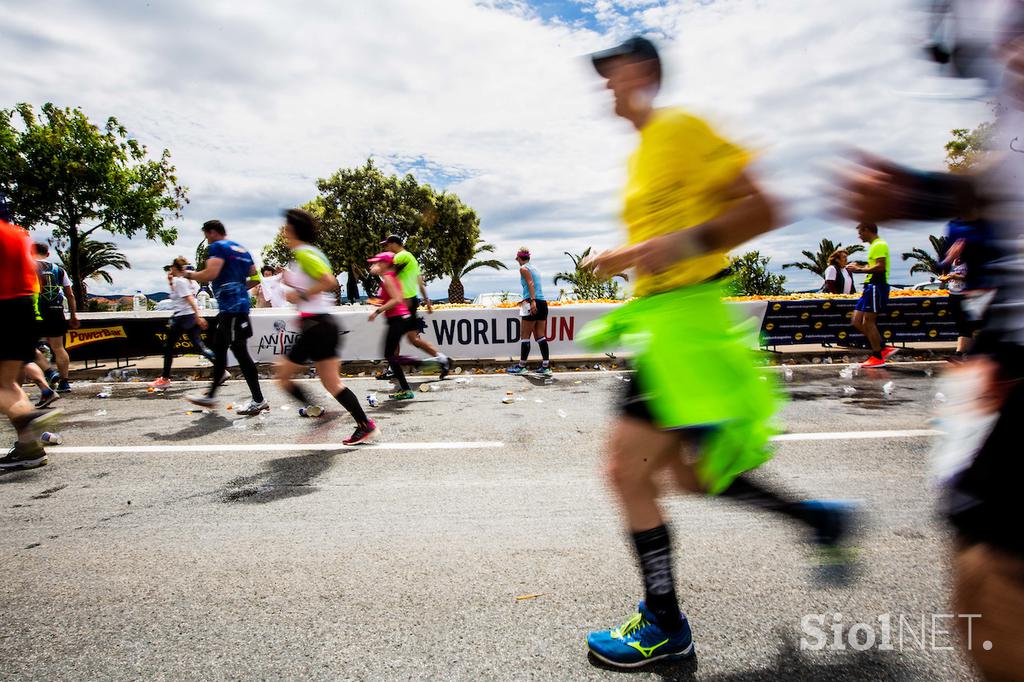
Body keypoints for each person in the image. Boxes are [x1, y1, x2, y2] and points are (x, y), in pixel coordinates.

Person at [578, 36, 857, 669]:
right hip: (669, 328)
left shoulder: (681, 128)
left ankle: (665, 625)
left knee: (625, 473)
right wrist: (632, 256)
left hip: (684, 329)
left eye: (612, 71)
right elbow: (664, 243)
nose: (604, 84)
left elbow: (763, 206)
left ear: (644, 71)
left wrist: (660, 249)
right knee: (690, 477)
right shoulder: (647, 149)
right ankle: (817, 519)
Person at [839, 3, 1024, 675]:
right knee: (980, 580)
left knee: (989, 583)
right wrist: (920, 190)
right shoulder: (1005, 117)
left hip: (990, 317)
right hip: (1006, 330)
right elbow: (1003, 188)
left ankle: (885, 350)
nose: (1008, 58)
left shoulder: (881, 258)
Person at [272, 209, 378, 445]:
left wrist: (300, 296)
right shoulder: (309, 253)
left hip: (316, 326)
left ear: (291, 230)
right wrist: (292, 281)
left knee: (282, 376)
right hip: (322, 324)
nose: (283, 231)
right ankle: (364, 425)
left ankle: (318, 414)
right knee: (331, 382)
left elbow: (329, 281)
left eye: (285, 227)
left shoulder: (304, 254)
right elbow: (316, 279)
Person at [182, 220, 268, 416]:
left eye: (206, 235)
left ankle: (258, 399)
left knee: (239, 351)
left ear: (212, 232)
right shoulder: (242, 249)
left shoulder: (218, 246)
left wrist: (188, 274)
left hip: (232, 308)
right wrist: (237, 289)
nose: (206, 240)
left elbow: (210, 273)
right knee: (219, 346)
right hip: (237, 306)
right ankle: (212, 395)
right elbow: (255, 277)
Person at [0, 207, 60, 469]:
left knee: (4, 385)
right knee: (8, 384)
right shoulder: (18, 235)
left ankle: (27, 418)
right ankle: (29, 448)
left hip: (4, 306)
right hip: (24, 308)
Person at [381, 235, 450, 379]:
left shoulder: (401, 256)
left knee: (394, 339)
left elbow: (386, 271)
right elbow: (420, 282)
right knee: (413, 339)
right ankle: (443, 360)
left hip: (402, 302)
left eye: (387, 245)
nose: (385, 248)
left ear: (394, 244)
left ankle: (394, 368)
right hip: (411, 300)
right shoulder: (412, 258)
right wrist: (427, 300)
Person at [149, 257, 215, 388]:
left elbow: (190, 299)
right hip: (188, 315)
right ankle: (221, 368)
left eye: (171, 267)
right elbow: (180, 296)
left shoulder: (180, 281)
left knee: (169, 347)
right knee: (198, 346)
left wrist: (198, 316)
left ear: (174, 267)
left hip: (183, 317)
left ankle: (165, 378)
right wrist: (170, 282)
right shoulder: (186, 281)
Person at [31, 241, 80, 392]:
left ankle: (48, 373)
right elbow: (70, 295)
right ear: (48, 254)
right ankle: (64, 382)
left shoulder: (28, 266)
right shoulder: (59, 270)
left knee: (28, 347)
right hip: (56, 310)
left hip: (35, 311)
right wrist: (73, 315)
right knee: (58, 347)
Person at [367, 252, 415, 401]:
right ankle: (407, 385)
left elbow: (396, 299)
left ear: (386, 264)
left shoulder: (388, 277)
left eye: (378, 263)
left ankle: (407, 387)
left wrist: (378, 311)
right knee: (390, 354)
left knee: (389, 354)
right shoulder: (389, 276)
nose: (375, 265)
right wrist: (377, 303)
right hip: (397, 318)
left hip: (397, 319)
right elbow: (390, 298)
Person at [847, 222, 897, 367]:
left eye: (860, 232)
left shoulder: (879, 244)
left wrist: (859, 269)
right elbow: (876, 265)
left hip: (876, 285)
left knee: (868, 322)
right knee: (856, 321)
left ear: (867, 230)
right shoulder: (875, 246)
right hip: (869, 286)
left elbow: (880, 267)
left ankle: (878, 356)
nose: (859, 236)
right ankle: (882, 347)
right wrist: (860, 268)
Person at [506, 247, 551, 376]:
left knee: (525, 336)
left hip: (531, 302)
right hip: (542, 303)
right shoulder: (535, 268)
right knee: (540, 336)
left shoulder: (523, 268)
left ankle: (521, 366)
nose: (517, 261)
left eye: (517, 259)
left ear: (520, 258)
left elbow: (530, 283)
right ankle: (546, 366)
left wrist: (532, 301)